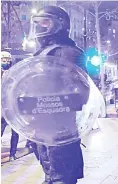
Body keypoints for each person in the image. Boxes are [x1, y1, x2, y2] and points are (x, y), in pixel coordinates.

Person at [28, 6, 86, 184]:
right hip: (43, 129)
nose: (40, 28)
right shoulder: (41, 53)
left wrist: (44, 104)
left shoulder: (69, 53)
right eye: (37, 23)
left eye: (45, 23)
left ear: (59, 24)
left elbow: (80, 97)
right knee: (51, 176)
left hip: (60, 131)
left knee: (62, 178)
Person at [1, 51, 19, 161]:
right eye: (3, 60)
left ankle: (12, 154)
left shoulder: (13, 73)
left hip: (12, 108)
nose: (6, 62)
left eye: (8, 60)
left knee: (15, 132)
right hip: (2, 109)